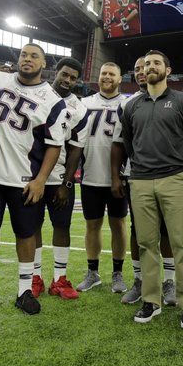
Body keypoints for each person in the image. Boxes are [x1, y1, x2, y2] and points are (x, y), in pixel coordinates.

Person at [0, 43, 67, 316]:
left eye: (35, 56)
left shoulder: (52, 99)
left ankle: (24, 292)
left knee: (26, 235)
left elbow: (54, 144)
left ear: (43, 64)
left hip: (25, 179)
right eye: (24, 54)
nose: (28, 59)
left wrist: (41, 180)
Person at [119, 50, 183, 328]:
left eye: (156, 63)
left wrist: (181, 170)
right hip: (140, 180)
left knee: (181, 243)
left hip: (174, 179)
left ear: (168, 70)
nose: (149, 67)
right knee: (146, 243)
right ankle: (151, 301)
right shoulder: (132, 106)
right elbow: (129, 144)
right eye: (145, 64)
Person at [110, 57, 177, 305]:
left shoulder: (174, 100)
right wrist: (116, 176)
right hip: (137, 177)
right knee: (139, 233)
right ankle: (140, 281)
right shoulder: (127, 104)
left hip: (168, 175)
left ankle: (169, 281)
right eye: (137, 69)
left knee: (168, 231)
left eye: (145, 67)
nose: (141, 72)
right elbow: (119, 143)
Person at [31, 56, 88, 300]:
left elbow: (76, 147)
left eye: (73, 78)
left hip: (59, 178)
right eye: (64, 74)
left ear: (77, 81)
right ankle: (35, 277)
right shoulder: (36, 94)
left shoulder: (79, 108)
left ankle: (59, 279)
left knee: (62, 226)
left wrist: (67, 182)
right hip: (32, 175)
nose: (67, 80)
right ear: (55, 72)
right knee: (31, 226)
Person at [72, 62, 129, 294]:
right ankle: (93, 272)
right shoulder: (84, 104)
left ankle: (117, 273)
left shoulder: (128, 103)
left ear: (119, 78)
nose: (106, 77)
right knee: (92, 225)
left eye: (111, 74)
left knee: (118, 224)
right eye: (103, 73)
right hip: (90, 175)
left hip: (119, 177)